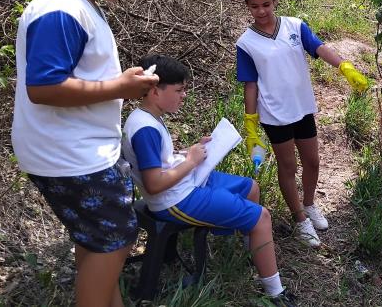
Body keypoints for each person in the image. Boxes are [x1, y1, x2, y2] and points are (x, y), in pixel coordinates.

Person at [11, 0, 158, 307]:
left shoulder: (80, 2)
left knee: (99, 240)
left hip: (74, 149)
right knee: (118, 237)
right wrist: (121, 87)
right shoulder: (61, 9)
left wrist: (121, 82)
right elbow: (43, 88)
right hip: (68, 156)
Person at [122, 54, 296, 306]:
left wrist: (188, 153)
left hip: (185, 183)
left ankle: (253, 253)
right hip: (175, 200)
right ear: (154, 90)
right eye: (179, 90)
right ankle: (275, 293)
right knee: (262, 217)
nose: (184, 96)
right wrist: (192, 161)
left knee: (250, 188)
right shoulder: (145, 129)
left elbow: (159, 160)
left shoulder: (149, 118)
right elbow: (153, 183)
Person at [236, 0, 368, 247]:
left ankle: (309, 204)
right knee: (288, 166)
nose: (261, 11)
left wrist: (345, 67)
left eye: (266, 5)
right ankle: (300, 220)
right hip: (275, 113)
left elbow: (318, 47)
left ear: (275, 1)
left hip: (302, 107)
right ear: (247, 6)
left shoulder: (295, 27)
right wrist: (251, 122)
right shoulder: (246, 43)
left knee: (313, 160)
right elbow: (250, 85)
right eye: (254, 6)